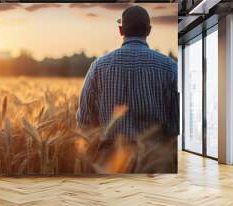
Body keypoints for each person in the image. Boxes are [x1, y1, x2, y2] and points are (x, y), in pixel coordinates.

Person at [76, 5, 179, 172]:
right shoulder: (170, 67)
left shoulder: (98, 67)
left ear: (120, 30)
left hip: (108, 163)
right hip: (156, 162)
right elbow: (177, 123)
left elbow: (85, 122)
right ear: (149, 30)